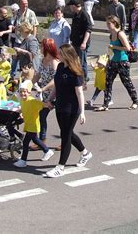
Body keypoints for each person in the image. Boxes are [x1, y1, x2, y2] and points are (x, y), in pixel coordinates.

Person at [44, 44, 92, 178]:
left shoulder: (75, 71)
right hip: (60, 105)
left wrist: (82, 112)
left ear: (67, 55)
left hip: (71, 109)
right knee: (67, 133)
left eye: (60, 53)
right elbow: (56, 86)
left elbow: (79, 93)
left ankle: (60, 167)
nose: (58, 54)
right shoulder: (60, 67)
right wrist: (49, 98)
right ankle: (85, 153)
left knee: (65, 136)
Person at [95, 15, 138, 112]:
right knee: (108, 83)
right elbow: (111, 50)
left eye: (109, 23)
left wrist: (114, 47)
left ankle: (135, 101)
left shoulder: (120, 34)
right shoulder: (111, 35)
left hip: (122, 62)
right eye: (107, 23)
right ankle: (105, 104)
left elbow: (127, 48)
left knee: (127, 83)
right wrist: (107, 61)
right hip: (113, 62)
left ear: (115, 23)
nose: (107, 25)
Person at [13, 80, 55, 168]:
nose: (23, 94)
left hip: (33, 124)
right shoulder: (22, 100)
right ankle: (47, 151)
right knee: (35, 139)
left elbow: (42, 104)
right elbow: (23, 108)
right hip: (28, 124)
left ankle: (23, 160)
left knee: (25, 142)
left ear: (29, 92)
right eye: (21, 92)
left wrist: (49, 104)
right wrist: (20, 112)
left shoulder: (32, 101)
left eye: (25, 92)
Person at [31, 38, 60, 150]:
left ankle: (65, 140)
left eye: (42, 46)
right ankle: (41, 141)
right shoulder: (44, 60)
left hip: (55, 94)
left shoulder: (54, 62)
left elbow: (56, 80)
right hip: (44, 94)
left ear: (47, 48)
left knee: (61, 118)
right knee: (41, 116)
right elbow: (38, 75)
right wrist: (28, 84)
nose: (41, 48)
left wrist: (43, 88)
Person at [11, 0, 39, 76]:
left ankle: (29, 75)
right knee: (14, 58)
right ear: (20, 4)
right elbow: (12, 23)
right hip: (18, 39)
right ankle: (12, 75)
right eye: (23, 4)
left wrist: (32, 38)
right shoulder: (16, 12)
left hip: (27, 40)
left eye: (26, 3)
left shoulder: (31, 13)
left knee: (27, 58)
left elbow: (35, 26)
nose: (25, 5)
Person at [68, 0, 92, 83]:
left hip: (82, 42)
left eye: (70, 6)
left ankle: (83, 78)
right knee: (75, 60)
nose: (70, 8)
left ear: (74, 6)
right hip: (75, 41)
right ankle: (80, 76)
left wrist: (84, 42)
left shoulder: (84, 14)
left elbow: (88, 29)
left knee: (82, 61)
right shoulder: (75, 14)